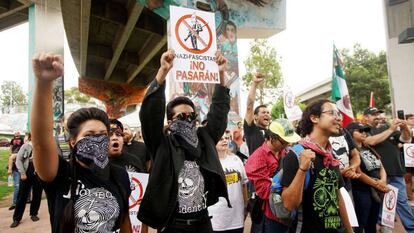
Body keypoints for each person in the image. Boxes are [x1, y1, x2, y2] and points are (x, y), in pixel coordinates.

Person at [30, 53, 132, 233]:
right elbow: (41, 142)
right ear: (72, 142)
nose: (98, 139)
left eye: (103, 134)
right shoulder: (60, 174)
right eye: (90, 134)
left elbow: (125, 222)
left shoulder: (120, 175)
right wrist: (44, 83)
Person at [137, 49, 230, 232]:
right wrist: (162, 72)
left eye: (191, 116)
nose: (188, 120)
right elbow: (150, 116)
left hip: (204, 223)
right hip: (174, 226)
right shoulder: (162, 144)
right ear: (170, 122)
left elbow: (219, 113)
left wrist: (220, 73)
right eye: (182, 116)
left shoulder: (204, 139)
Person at [281, 99, 353, 233]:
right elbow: (289, 205)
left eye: (339, 114)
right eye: (332, 113)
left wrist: (349, 230)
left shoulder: (330, 155)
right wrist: (302, 169)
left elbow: (336, 194)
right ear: (314, 118)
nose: (338, 118)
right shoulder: (296, 155)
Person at [362, 107, 414, 232]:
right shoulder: (363, 130)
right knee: (381, 202)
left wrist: (404, 127)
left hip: (396, 171)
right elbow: (371, 141)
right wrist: (391, 128)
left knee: (401, 201)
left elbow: (406, 139)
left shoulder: (386, 127)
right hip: (377, 173)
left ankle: (411, 228)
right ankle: (385, 226)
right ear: (366, 117)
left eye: (378, 114)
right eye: (373, 114)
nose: (378, 116)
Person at [245, 119, 301, 233]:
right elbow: (265, 191)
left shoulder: (286, 152)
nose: (288, 144)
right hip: (270, 216)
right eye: (284, 141)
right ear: (272, 138)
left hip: (288, 214)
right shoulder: (258, 158)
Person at [346, 122, 389, 233]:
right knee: (361, 223)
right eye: (360, 131)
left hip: (377, 191)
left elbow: (381, 165)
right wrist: (377, 184)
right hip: (361, 191)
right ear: (350, 132)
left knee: (372, 222)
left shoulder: (368, 148)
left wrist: (383, 181)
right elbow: (358, 172)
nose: (364, 133)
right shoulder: (350, 152)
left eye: (365, 130)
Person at [208, 134, 248, 233]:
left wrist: (246, 205)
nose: (225, 140)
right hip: (215, 219)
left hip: (236, 218)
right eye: (220, 139)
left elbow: (243, 185)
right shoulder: (207, 162)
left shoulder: (236, 160)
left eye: (226, 138)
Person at [10, 133, 43, 228]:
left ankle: (34, 214)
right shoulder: (25, 146)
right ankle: (16, 218)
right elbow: (18, 160)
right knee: (22, 196)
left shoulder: (41, 147)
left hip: (38, 173)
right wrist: (22, 173)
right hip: (27, 171)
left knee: (37, 194)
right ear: (31, 137)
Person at [243, 73, 270, 155]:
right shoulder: (250, 129)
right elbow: (249, 106)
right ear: (255, 116)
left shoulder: (272, 133)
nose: (267, 114)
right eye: (263, 112)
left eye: (268, 113)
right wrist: (255, 84)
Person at [329, 126, 361, 191]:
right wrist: (341, 172)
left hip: (346, 183)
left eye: (338, 115)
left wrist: (352, 168)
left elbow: (355, 155)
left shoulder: (343, 131)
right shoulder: (317, 136)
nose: (338, 118)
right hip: (330, 186)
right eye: (331, 115)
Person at [7, 131, 24, 210]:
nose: (17, 135)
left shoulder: (22, 139)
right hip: (15, 168)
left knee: (25, 185)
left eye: (18, 133)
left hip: (21, 163)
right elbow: (10, 147)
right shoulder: (12, 140)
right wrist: (11, 153)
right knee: (17, 186)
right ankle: (14, 203)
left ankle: (26, 199)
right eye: (16, 134)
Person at [404, 113, 414, 202]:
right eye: (411, 118)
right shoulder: (401, 130)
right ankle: (410, 198)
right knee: (408, 178)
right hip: (406, 158)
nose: (413, 120)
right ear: (406, 120)